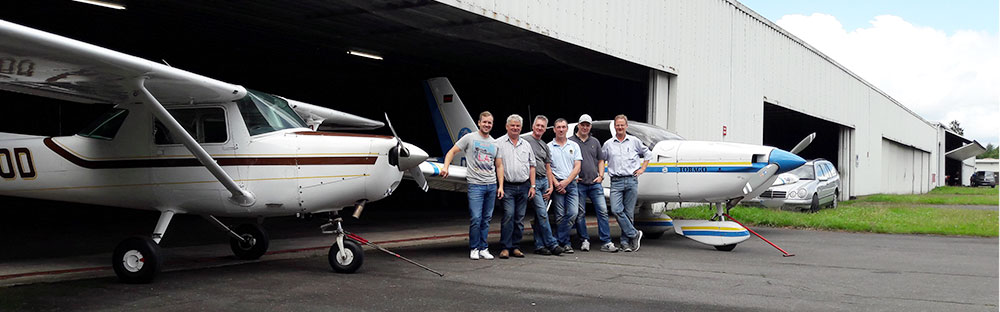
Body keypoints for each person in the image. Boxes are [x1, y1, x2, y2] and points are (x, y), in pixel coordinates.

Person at [442, 111, 502, 260]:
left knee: (487, 218)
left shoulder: (495, 143)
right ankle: (474, 247)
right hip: (475, 184)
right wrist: (445, 166)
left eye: (490, 123)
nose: (487, 125)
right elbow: (452, 151)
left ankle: (484, 247)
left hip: (491, 184)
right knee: (476, 217)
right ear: (479, 123)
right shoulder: (469, 138)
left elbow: (499, 166)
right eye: (484, 122)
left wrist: (500, 186)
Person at [569, 114, 617, 252]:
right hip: (579, 184)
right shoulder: (570, 141)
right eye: (582, 125)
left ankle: (606, 241)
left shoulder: (595, 142)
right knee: (580, 213)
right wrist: (572, 176)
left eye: (587, 125)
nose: (585, 127)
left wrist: (601, 176)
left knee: (602, 211)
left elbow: (601, 160)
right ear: (578, 125)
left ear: (590, 127)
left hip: (595, 183)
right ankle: (584, 239)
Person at [601, 114, 648, 252]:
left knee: (628, 213)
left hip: (632, 180)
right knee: (616, 209)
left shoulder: (634, 141)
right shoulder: (608, 144)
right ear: (614, 127)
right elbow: (601, 159)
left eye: (622, 125)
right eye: (617, 125)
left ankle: (625, 242)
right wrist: (599, 174)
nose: (620, 127)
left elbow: (647, 154)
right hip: (616, 181)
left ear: (626, 126)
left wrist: (642, 169)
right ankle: (634, 234)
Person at [521, 115, 563, 256]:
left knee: (540, 216)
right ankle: (552, 243)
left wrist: (551, 186)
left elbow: (548, 168)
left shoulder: (545, 146)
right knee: (542, 214)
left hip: (544, 182)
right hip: (532, 183)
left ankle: (539, 245)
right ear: (533, 126)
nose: (539, 128)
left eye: (542, 126)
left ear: (545, 129)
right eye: (537, 125)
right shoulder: (524, 141)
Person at [495, 114, 535, 259]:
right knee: (509, 215)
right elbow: (497, 165)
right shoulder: (498, 143)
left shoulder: (526, 145)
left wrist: (533, 185)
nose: (515, 128)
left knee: (519, 218)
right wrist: (500, 186)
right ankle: (505, 247)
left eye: (518, 126)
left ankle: (516, 246)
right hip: (508, 186)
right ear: (507, 126)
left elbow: (532, 166)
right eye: (512, 125)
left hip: (524, 186)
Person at [548, 118, 582, 253]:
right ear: (554, 129)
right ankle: (566, 243)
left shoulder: (574, 146)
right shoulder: (549, 147)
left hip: (571, 184)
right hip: (557, 184)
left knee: (573, 213)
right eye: (558, 127)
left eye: (563, 127)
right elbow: (548, 168)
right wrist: (557, 184)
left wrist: (567, 181)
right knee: (560, 216)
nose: (561, 129)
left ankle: (555, 240)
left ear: (567, 129)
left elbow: (577, 166)